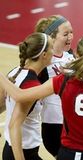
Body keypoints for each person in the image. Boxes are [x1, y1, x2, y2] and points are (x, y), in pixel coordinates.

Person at [1, 32, 53, 160]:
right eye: (51, 47)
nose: (54, 52)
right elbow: (14, 125)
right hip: (21, 152)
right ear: (44, 55)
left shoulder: (16, 71)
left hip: (12, 150)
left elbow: (2, 104)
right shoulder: (31, 84)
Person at [35, 14, 74, 157]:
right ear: (52, 37)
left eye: (71, 32)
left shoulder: (70, 55)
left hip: (72, 122)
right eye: (65, 34)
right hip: (54, 125)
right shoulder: (43, 62)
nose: (70, 36)